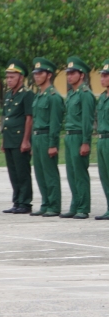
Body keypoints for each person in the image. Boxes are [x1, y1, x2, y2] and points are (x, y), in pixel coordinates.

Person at [0, 60, 34, 214]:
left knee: (22, 172)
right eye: (8, 77)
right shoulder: (8, 95)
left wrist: (26, 140)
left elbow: (29, 118)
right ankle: (17, 201)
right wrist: (3, 140)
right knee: (13, 172)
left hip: (20, 140)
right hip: (9, 139)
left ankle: (25, 202)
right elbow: (5, 118)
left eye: (12, 77)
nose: (9, 80)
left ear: (21, 78)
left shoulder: (26, 94)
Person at [30, 58, 64, 218]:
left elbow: (55, 123)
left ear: (48, 75)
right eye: (35, 73)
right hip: (37, 137)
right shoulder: (39, 96)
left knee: (50, 173)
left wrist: (53, 144)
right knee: (39, 172)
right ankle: (45, 202)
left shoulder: (53, 96)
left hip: (46, 137)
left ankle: (54, 204)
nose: (37, 76)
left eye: (40, 73)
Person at [61, 57, 94, 219]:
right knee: (71, 173)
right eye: (68, 73)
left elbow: (87, 120)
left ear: (81, 75)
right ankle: (75, 204)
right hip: (69, 136)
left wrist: (86, 142)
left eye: (73, 73)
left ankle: (83, 206)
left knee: (80, 173)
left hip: (79, 136)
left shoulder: (85, 94)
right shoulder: (72, 94)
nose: (69, 76)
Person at [97, 61, 109, 221]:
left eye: (106, 76)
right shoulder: (102, 97)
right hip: (101, 139)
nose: (102, 78)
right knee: (104, 176)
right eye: (102, 75)